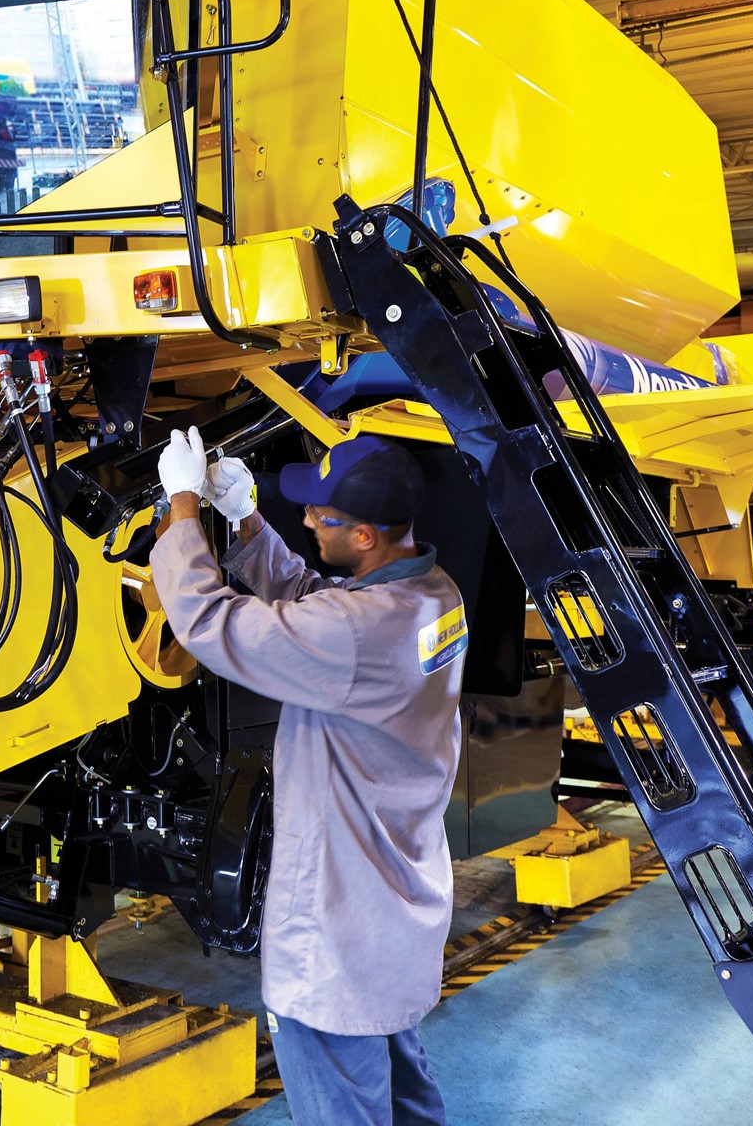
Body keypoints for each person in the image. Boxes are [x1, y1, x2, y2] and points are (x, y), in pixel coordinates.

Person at [151, 427, 468, 1126]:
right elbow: (312, 600)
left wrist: (181, 508)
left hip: (337, 927)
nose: (307, 520)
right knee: (403, 1088)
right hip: (396, 905)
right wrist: (245, 520)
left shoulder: (355, 632)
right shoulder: (431, 592)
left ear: (363, 538)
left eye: (321, 517)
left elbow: (210, 621)